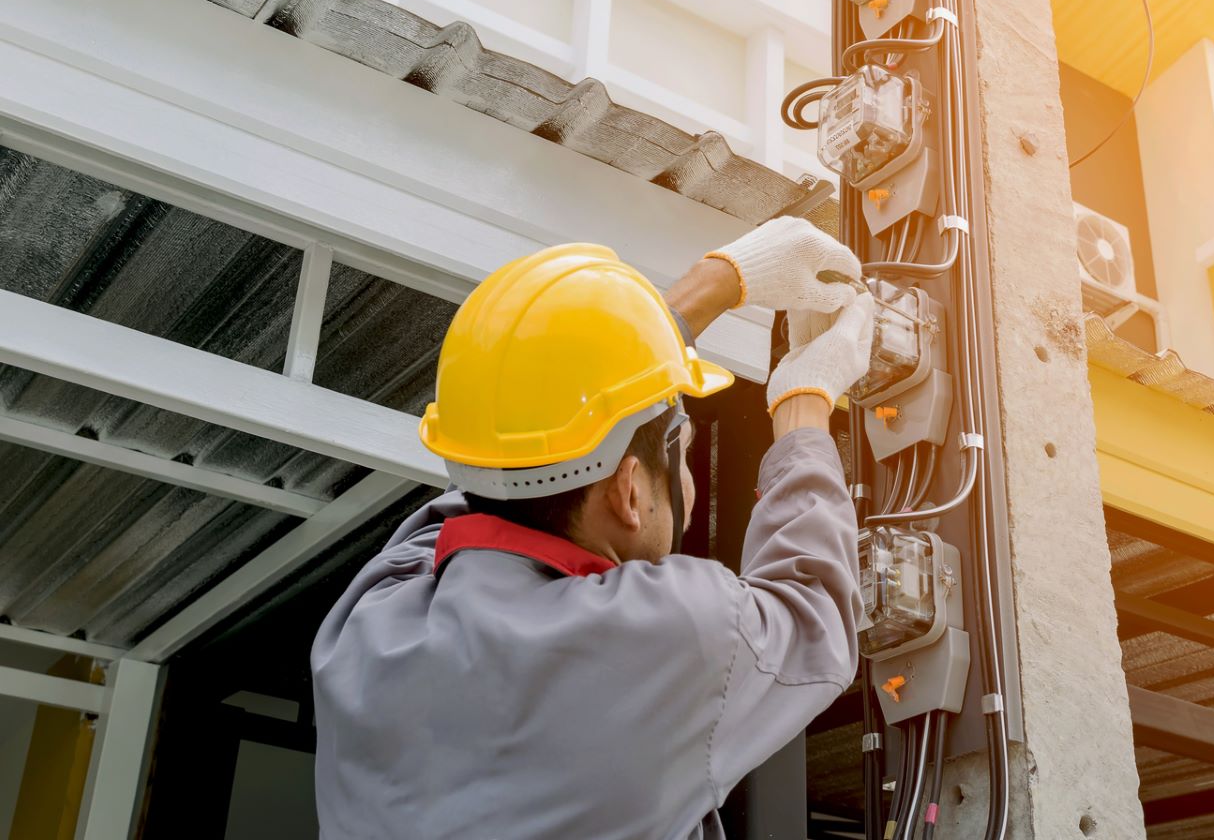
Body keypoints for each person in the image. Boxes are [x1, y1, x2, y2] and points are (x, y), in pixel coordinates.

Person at [311, 216, 876, 839]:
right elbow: (812, 613)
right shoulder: (667, 635)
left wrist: (716, 284)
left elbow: (505, 456)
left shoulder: (368, 624)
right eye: (683, 452)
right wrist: (805, 402)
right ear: (629, 491)